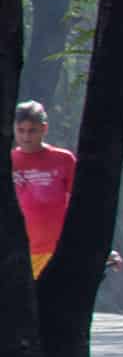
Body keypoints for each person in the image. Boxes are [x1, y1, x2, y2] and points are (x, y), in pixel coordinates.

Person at [12, 100, 75, 278]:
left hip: (56, 252)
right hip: (18, 254)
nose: (26, 137)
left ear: (44, 128)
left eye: (32, 130)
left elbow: (80, 208)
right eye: (21, 130)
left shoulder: (64, 160)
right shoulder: (8, 161)